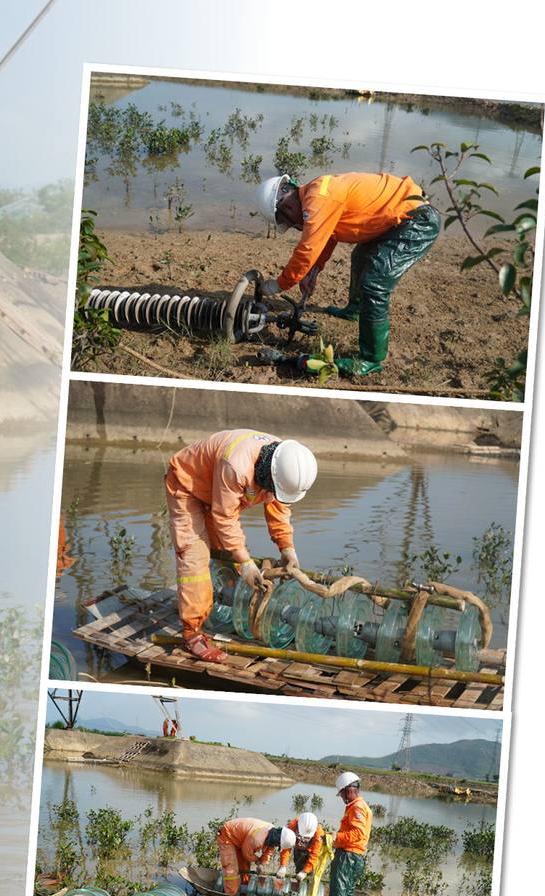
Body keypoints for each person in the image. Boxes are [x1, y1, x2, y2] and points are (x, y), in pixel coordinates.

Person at [255, 172, 441, 375]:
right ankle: (356, 309)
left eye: (290, 223)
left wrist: (279, 284)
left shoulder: (318, 199)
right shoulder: (316, 192)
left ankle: (370, 359)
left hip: (417, 221)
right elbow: (328, 236)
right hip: (396, 218)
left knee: (374, 283)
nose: (294, 227)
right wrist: (312, 271)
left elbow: (308, 249)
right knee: (360, 257)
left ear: (288, 207)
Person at [164, 430, 318, 662]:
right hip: (189, 487)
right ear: (270, 475)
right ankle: (191, 635)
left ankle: (220, 608)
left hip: (218, 492)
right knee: (195, 557)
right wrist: (246, 562)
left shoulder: (281, 461)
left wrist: (287, 548)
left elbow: (278, 508)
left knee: (224, 557)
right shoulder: (237, 466)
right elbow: (225, 517)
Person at [330, 771, 373, 896]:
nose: (342, 797)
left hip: (348, 857)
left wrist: (337, 836)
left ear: (347, 791)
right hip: (357, 857)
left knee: (338, 894)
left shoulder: (357, 807)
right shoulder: (360, 806)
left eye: (341, 794)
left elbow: (358, 834)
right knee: (347, 893)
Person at [217, 817, 294, 896]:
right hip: (228, 835)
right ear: (277, 841)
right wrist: (257, 860)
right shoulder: (257, 838)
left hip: (242, 839)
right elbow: (246, 854)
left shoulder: (273, 835)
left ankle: (243, 892)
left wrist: (262, 864)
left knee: (244, 868)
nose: (276, 846)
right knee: (231, 869)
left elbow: (269, 852)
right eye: (278, 845)